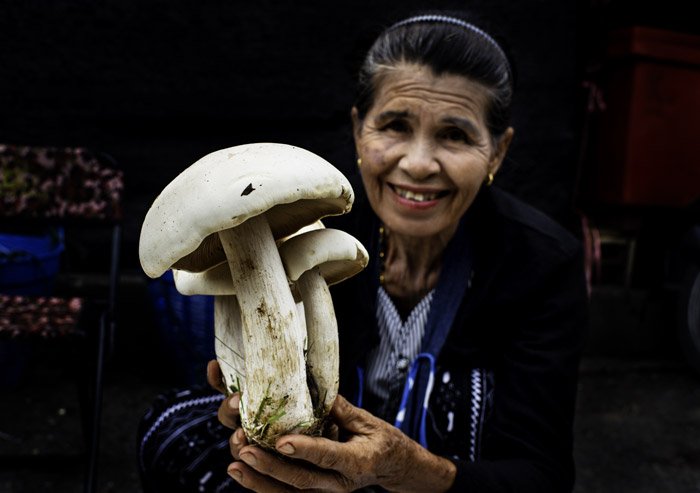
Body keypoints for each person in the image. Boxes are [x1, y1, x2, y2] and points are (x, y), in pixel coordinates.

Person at [138, 9, 588, 493]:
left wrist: (407, 470)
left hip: (450, 483)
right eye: (394, 125)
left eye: (455, 135)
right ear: (358, 130)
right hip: (323, 462)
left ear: (497, 153)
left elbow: (542, 475)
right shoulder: (309, 225)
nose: (417, 164)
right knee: (169, 431)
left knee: (466, 414)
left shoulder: (542, 263)